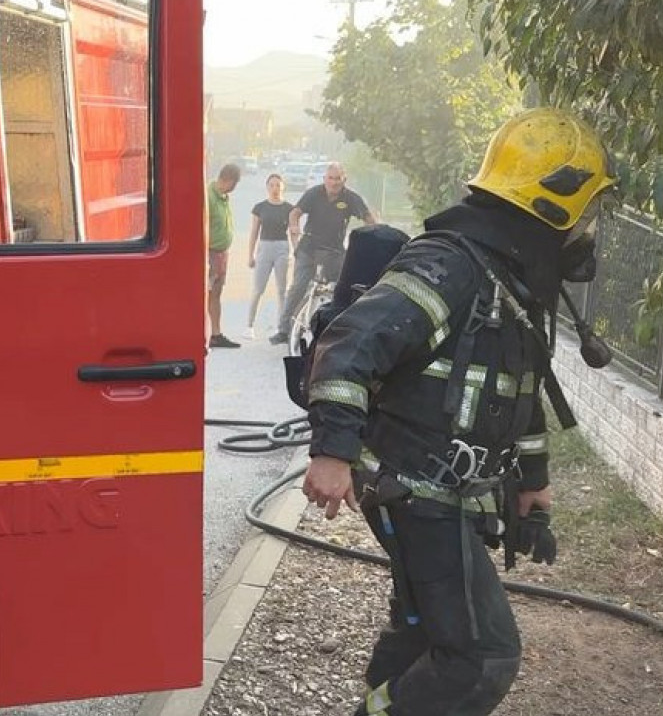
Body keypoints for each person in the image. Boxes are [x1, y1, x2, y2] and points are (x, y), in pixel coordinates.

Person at [299, 108, 618, 716]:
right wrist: (332, 452)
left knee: (425, 632)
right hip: (414, 489)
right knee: (480, 658)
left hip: (443, 490)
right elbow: (349, 347)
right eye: (588, 211)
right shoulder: (451, 266)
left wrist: (533, 484)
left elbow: (517, 390)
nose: (590, 230)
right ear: (552, 205)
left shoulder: (512, 280)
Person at [271, 162, 377, 345]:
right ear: (325, 179)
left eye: (338, 179)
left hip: (334, 250)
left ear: (344, 180)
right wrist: (294, 225)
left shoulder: (350, 198)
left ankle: (343, 330)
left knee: (346, 286)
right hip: (309, 248)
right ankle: (283, 330)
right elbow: (295, 212)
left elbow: (368, 217)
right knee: (299, 286)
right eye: (330, 178)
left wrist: (375, 232)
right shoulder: (314, 193)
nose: (334, 182)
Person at [243, 173, 295, 340]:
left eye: (278, 185)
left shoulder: (289, 208)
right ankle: (249, 326)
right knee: (258, 289)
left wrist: (296, 251)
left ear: (283, 187)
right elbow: (254, 232)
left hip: (282, 247)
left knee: (282, 290)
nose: (275, 188)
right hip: (265, 247)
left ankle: (282, 327)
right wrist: (250, 254)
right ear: (267, 187)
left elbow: (294, 232)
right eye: (272, 185)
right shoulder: (260, 207)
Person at [207, 163, 242, 349]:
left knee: (216, 293)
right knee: (209, 293)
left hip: (221, 254)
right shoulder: (209, 197)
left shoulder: (223, 197)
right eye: (234, 184)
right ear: (227, 180)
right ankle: (209, 333)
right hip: (210, 254)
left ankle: (216, 334)